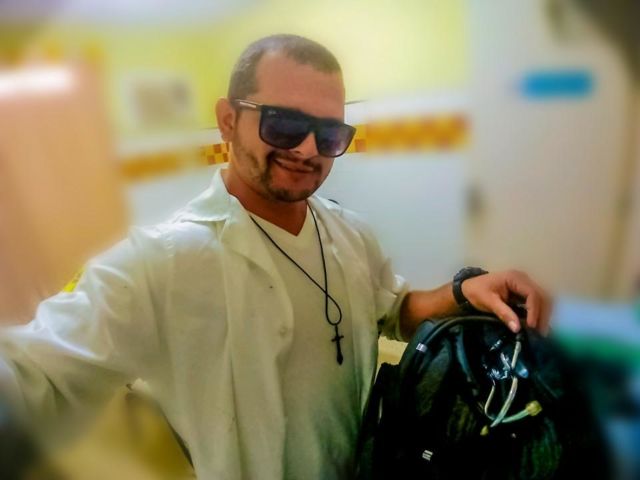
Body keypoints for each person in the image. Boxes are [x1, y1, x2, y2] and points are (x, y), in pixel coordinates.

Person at [0, 34, 551, 479]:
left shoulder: (350, 233)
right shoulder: (160, 261)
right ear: (227, 120)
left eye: (329, 134)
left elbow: (393, 310)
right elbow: (35, 375)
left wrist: (461, 293)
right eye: (283, 124)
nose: (308, 149)